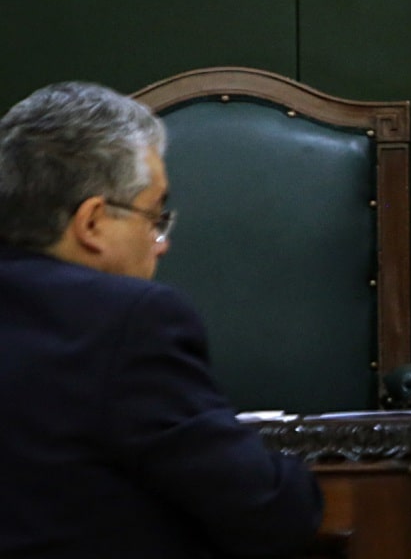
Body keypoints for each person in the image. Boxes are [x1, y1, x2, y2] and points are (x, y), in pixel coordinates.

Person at [0, 82, 323, 557]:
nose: (162, 243)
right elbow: (269, 510)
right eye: (154, 217)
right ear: (92, 222)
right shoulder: (128, 321)